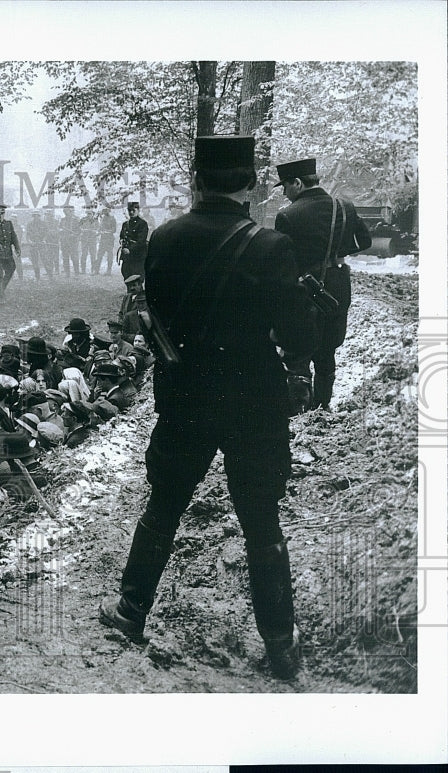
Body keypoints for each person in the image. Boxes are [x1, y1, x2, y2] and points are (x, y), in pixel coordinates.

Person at [98, 136, 317, 680]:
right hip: (254, 399)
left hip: (187, 392)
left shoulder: (165, 238)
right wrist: (295, 364)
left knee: (165, 504)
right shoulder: (272, 247)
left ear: (196, 179)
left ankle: (130, 611)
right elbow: (294, 332)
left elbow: (158, 312)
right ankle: (281, 648)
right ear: (249, 183)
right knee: (262, 522)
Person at [273, 157, 372, 412]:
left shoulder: (287, 215)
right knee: (328, 350)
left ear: (297, 183)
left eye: (285, 186)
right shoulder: (344, 207)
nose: (284, 193)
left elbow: (284, 259)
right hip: (338, 286)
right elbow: (365, 242)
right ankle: (322, 405)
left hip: (304, 289)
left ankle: (299, 408)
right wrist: (336, 253)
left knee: (297, 351)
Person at [118, 201, 149, 283]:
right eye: (129, 210)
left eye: (133, 210)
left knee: (138, 275)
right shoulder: (125, 224)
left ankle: (139, 294)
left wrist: (130, 249)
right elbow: (121, 236)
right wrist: (121, 242)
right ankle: (129, 292)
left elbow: (141, 241)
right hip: (126, 255)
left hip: (138, 255)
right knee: (126, 272)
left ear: (138, 210)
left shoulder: (142, 224)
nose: (131, 212)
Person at [23, 210, 49, 280]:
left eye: (37, 215)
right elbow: (27, 235)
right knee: (35, 261)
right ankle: (37, 277)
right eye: (34, 216)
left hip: (41, 244)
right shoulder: (29, 224)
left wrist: (44, 240)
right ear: (33, 216)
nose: (36, 217)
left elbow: (46, 234)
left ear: (39, 216)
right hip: (33, 245)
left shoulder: (44, 223)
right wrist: (30, 241)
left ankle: (50, 276)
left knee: (45, 260)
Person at [59, 205, 80, 276]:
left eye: (67, 211)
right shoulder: (62, 220)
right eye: (64, 211)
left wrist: (74, 235)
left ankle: (76, 273)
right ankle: (67, 273)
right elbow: (59, 229)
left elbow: (79, 231)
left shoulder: (75, 220)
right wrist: (61, 231)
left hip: (73, 242)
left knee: (74, 258)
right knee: (65, 258)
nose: (65, 213)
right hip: (64, 241)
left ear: (70, 212)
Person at [98, 208, 118, 275]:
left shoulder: (112, 219)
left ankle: (109, 271)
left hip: (109, 239)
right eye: (104, 211)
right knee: (99, 255)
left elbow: (114, 229)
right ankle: (96, 270)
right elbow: (100, 228)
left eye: (106, 211)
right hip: (103, 239)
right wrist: (100, 231)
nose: (105, 212)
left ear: (109, 211)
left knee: (109, 255)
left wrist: (107, 232)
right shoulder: (102, 219)